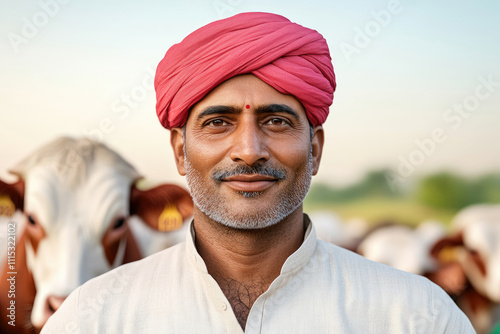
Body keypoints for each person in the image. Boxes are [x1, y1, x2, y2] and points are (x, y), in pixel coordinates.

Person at [42, 12, 474, 333]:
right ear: (179, 151)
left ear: (316, 149)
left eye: (276, 121)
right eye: (218, 123)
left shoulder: (416, 316)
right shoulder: (91, 318)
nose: (248, 151)